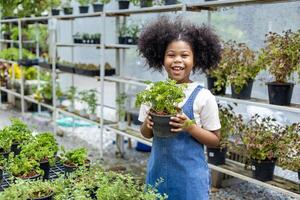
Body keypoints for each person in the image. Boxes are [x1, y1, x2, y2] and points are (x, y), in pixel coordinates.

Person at [137, 16, 222, 200]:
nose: (177, 61)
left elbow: (215, 140)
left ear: (195, 59)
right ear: (161, 57)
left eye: (184, 55)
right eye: (171, 55)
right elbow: (145, 134)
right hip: (157, 175)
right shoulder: (153, 92)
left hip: (190, 181)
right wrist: (148, 123)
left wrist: (190, 127)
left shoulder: (204, 96)